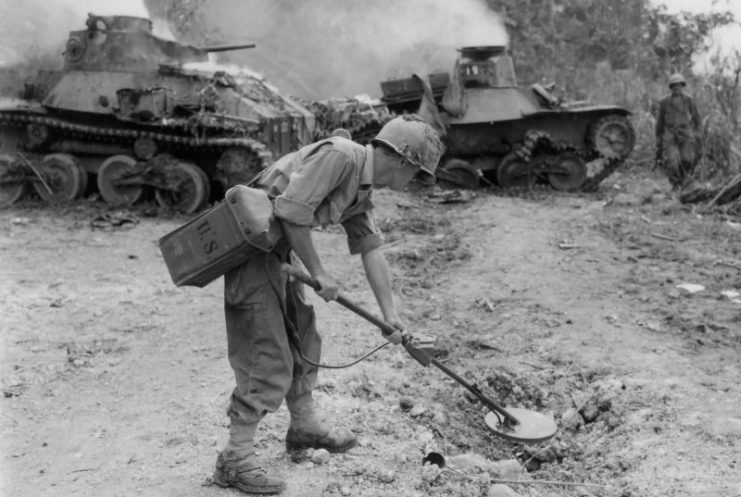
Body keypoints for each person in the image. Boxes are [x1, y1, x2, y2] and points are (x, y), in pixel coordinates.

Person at [212, 115, 443, 495]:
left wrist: (391, 316)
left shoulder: (362, 184)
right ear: (402, 160)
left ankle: (303, 426)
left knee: (303, 337)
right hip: (253, 253)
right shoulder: (342, 157)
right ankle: (234, 458)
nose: (413, 184)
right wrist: (320, 273)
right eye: (417, 174)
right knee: (265, 350)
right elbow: (290, 210)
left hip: (279, 253)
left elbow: (370, 248)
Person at [655, 73, 702, 189]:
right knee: (672, 161)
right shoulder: (665, 102)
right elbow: (660, 120)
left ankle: (683, 178)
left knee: (687, 159)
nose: (677, 87)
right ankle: (675, 183)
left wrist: (698, 133)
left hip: (684, 130)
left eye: (679, 85)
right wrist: (658, 136)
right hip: (671, 131)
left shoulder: (689, 100)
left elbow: (697, 117)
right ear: (671, 87)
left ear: (682, 86)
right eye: (674, 85)